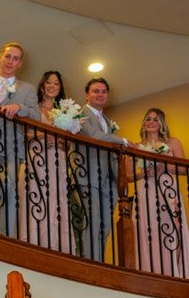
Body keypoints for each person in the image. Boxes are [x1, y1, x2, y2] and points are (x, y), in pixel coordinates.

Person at [0, 42, 40, 237]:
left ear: (20, 64)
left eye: (15, 58)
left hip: (12, 147)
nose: (10, 61)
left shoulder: (28, 89)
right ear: (0, 57)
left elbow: (36, 116)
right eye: (7, 56)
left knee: (9, 190)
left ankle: (7, 236)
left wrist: (19, 108)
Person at [18, 70, 76, 253]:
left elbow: (69, 144)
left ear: (60, 88)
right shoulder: (34, 108)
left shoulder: (66, 111)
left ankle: (57, 245)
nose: (52, 86)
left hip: (57, 159)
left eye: (56, 83)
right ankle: (35, 242)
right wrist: (46, 135)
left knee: (56, 199)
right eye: (49, 82)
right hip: (37, 157)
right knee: (37, 196)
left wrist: (60, 140)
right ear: (43, 86)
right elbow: (25, 133)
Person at [75, 77, 127, 262]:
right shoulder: (80, 114)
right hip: (89, 174)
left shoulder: (107, 120)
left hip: (109, 179)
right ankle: (92, 264)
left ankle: (100, 261)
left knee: (105, 226)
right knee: (93, 221)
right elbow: (94, 135)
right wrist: (123, 141)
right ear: (87, 95)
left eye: (103, 91)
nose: (100, 94)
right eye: (96, 91)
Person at [132, 108, 188, 276]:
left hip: (167, 190)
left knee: (172, 228)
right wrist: (144, 173)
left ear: (161, 123)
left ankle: (174, 272)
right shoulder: (136, 146)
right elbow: (128, 175)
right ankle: (150, 272)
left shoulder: (173, 142)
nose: (150, 122)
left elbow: (184, 169)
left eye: (155, 119)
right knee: (148, 230)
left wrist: (165, 166)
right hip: (146, 193)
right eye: (147, 119)